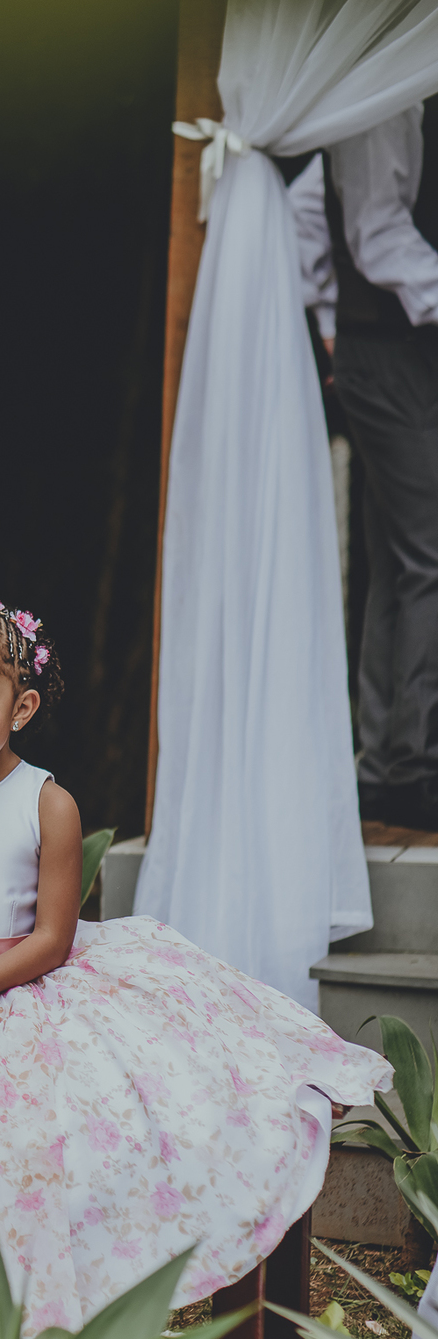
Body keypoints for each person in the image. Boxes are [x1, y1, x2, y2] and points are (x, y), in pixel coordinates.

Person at [0, 594, 391, 1339]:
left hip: (16, 988)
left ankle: (30, 1329)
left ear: (24, 703)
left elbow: (51, 937)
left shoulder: (49, 805)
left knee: (30, 1130)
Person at [289, 105, 438, 830]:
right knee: (426, 557)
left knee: (399, 558)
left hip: (396, 345)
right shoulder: (383, 99)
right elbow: (375, 233)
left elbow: (314, 198)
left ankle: (389, 763)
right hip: (386, 347)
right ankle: (408, 765)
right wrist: (328, 323)